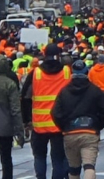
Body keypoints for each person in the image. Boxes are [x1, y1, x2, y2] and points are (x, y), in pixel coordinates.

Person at [52, 60, 104, 179]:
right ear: (87, 72)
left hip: (70, 133)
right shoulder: (95, 90)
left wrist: (64, 127)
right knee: (89, 166)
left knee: (73, 169)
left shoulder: (64, 91)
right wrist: (97, 125)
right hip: (89, 133)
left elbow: (55, 113)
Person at [21, 43, 71, 179]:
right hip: (59, 124)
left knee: (39, 156)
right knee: (59, 159)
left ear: (44, 55)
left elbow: (25, 97)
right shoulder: (66, 72)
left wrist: (26, 120)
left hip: (39, 125)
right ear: (59, 56)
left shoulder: (35, 73)